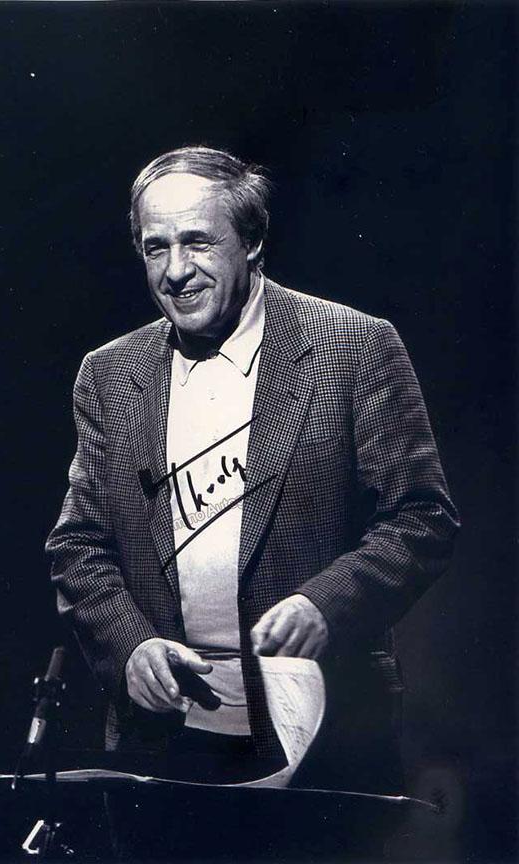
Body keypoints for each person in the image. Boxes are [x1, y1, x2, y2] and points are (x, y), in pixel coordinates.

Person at [45, 145, 459, 804]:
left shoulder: (355, 347)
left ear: (253, 239)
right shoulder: (109, 374)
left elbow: (423, 519)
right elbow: (78, 545)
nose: (176, 271)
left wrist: (325, 605)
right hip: (163, 741)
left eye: (197, 243)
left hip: (324, 737)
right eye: (156, 248)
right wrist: (132, 649)